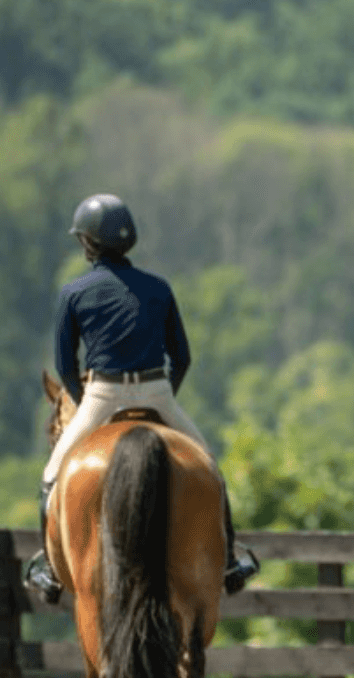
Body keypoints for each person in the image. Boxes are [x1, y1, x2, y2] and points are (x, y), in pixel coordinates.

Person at [24, 192, 259, 604]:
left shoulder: (74, 292)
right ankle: (229, 564)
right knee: (210, 470)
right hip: (156, 388)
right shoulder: (158, 287)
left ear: (88, 243)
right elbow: (182, 357)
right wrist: (162, 401)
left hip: (101, 394)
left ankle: (48, 568)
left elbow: (64, 365)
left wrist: (83, 399)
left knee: (52, 475)